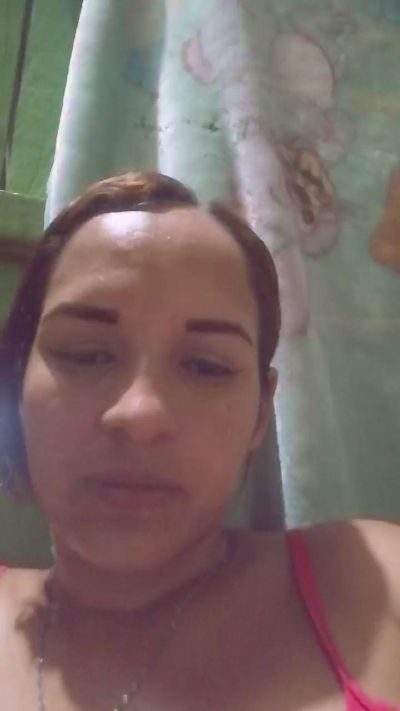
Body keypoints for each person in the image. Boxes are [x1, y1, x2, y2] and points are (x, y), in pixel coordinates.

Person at [0, 170, 399, 711]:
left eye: (206, 367)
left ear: (260, 413)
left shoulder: (375, 585)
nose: (140, 415)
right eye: (85, 355)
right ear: (16, 383)